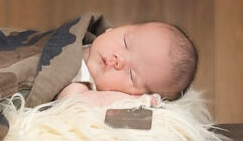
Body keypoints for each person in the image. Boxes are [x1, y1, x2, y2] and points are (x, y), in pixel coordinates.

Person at [55, 21, 198, 107]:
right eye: (126, 43)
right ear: (116, 29)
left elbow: (72, 104)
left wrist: (130, 101)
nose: (119, 60)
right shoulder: (80, 37)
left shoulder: (82, 85)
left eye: (131, 75)